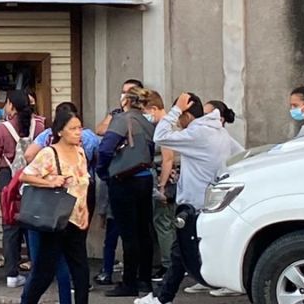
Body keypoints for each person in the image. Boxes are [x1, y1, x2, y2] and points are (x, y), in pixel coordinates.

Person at [135, 93, 245, 304]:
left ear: (186, 113)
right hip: (209, 200)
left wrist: (175, 108)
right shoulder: (217, 131)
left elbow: (161, 137)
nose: (178, 121)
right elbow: (240, 154)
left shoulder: (198, 133)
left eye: (179, 115)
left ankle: (161, 298)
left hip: (194, 204)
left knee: (180, 253)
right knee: (184, 252)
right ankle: (164, 296)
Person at [22, 102, 101, 303]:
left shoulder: (81, 152)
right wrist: (50, 182)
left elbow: (83, 186)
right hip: (56, 220)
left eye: (79, 128)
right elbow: (26, 176)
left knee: (81, 271)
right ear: (60, 131)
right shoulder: (49, 153)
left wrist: (85, 215)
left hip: (76, 220)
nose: (78, 133)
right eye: (73, 129)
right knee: (44, 272)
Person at [98, 86, 156, 297]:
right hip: (145, 178)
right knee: (145, 231)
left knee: (128, 233)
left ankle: (129, 282)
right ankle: (145, 281)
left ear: (126, 101)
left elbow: (105, 148)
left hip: (123, 180)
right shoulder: (148, 121)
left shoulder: (122, 120)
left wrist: (103, 170)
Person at [0, 91, 33, 288]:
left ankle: (12, 275)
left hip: (9, 179)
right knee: (34, 223)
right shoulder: (39, 125)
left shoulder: (1, 129)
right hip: (34, 178)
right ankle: (37, 270)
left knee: (10, 225)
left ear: (12, 106)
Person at [145, 91, 176, 280]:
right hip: (165, 178)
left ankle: (168, 265)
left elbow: (168, 159)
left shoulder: (165, 127)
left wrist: (162, 186)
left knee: (163, 222)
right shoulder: (167, 125)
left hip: (166, 179)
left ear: (154, 109)